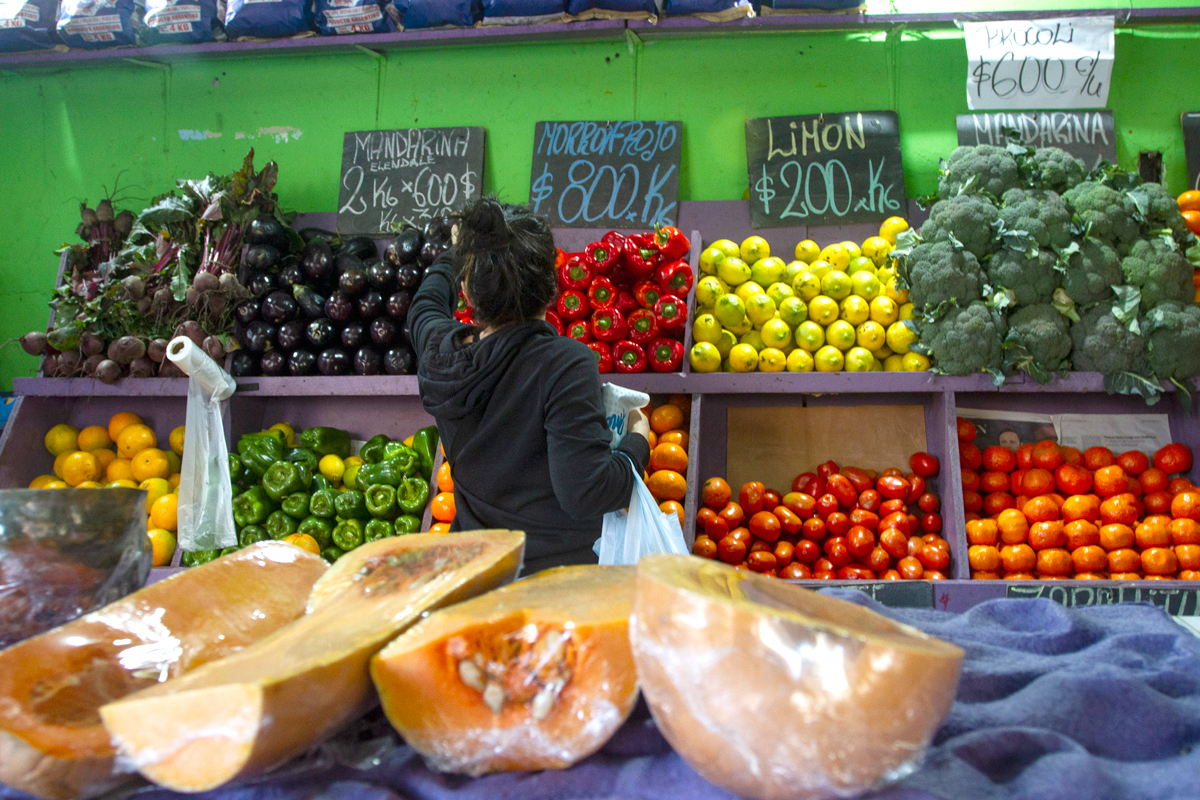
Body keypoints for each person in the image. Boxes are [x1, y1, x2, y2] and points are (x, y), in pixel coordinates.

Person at [408, 197, 651, 573]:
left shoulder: (440, 352)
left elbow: (425, 306)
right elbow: (587, 492)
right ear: (552, 287)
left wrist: (456, 254)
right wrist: (638, 440)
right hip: (556, 585)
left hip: (479, 574)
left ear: (468, 294)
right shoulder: (564, 363)